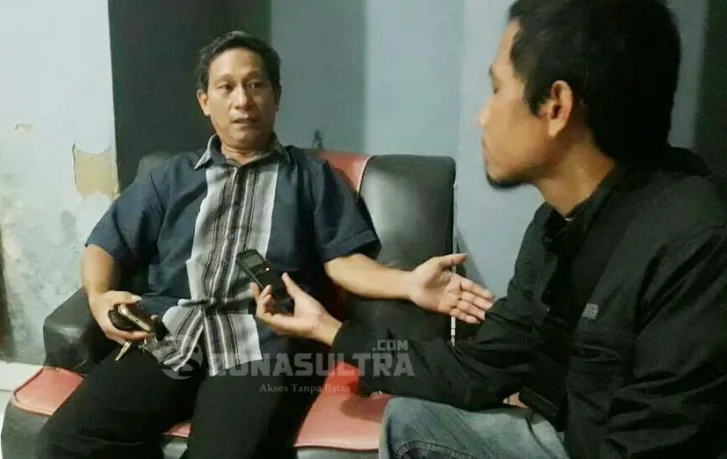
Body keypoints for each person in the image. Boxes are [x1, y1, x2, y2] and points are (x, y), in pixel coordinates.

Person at [252, 1, 727, 458]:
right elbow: (481, 370)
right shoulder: (554, 225)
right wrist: (328, 329)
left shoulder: (696, 243)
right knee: (408, 420)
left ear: (556, 106)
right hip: (570, 435)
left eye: (497, 89)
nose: (482, 116)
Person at [35, 30, 494, 459]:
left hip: (261, 344)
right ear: (205, 101)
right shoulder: (171, 177)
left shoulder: (311, 178)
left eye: (256, 85)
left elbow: (343, 262)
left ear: (276, 96)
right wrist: (99, 296)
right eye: (226, 87)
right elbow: (106, 243)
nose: (242, 101)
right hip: (169, 332)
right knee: (61, 443)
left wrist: (409, 283)